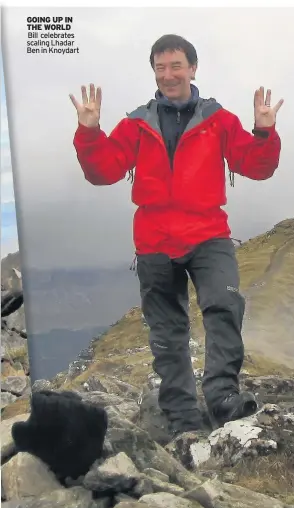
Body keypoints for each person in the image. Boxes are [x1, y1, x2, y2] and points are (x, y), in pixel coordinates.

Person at [70, 34, 283, 436]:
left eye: (176, 66)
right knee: (167, 332)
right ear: (154, 71)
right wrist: (90, 132)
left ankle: (223, 399)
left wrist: (263, 131)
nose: (168, 75)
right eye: (160, 68)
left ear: (193, 68)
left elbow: (255, 166)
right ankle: (183, 420)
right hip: (154, 241)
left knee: (223, 306)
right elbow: (104, 172)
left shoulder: (219, 120)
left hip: (209, 235)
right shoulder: (136, 123)